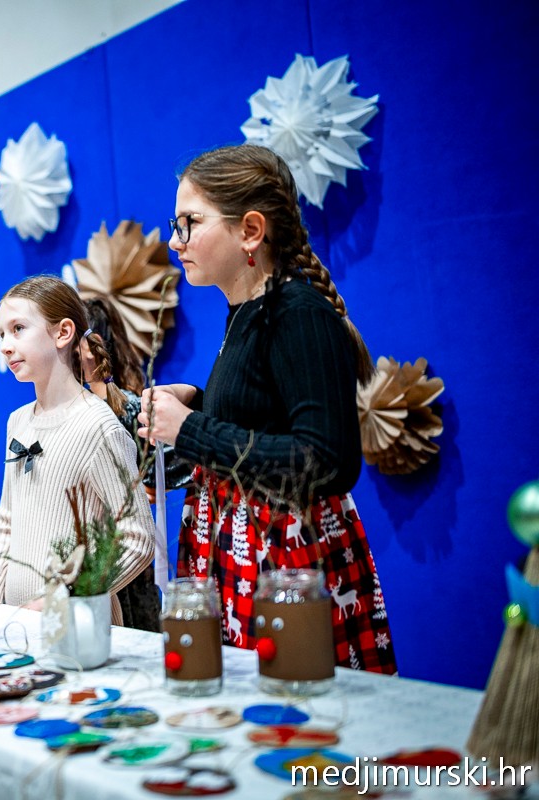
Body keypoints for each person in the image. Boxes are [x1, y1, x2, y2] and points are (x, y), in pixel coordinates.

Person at [137, 143, 395, 673]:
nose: (174, 239)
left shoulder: (298, 312)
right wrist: (202, 406)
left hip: (286, 565)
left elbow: (328, 460)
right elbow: (268, 418)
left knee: (301, 720)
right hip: (245, 552)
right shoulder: (245, 312)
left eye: (189, 223)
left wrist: (192, 430)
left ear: (250, 231)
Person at [0, 275, 156, 623]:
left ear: (63, 333)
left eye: (18, 329)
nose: (5, 345)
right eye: (1, 333)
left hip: (79, 627)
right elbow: (6, 520)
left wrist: (66, 598)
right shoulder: (17, 421)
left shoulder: (97, 425)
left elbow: (137, 538)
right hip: (16, 624)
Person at [78, 297, 163, 632]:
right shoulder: (75, 408)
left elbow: (155, 476)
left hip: (126, 554)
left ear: (91, 346)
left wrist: (143, 487)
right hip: (91, 548)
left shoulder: (125, 406)